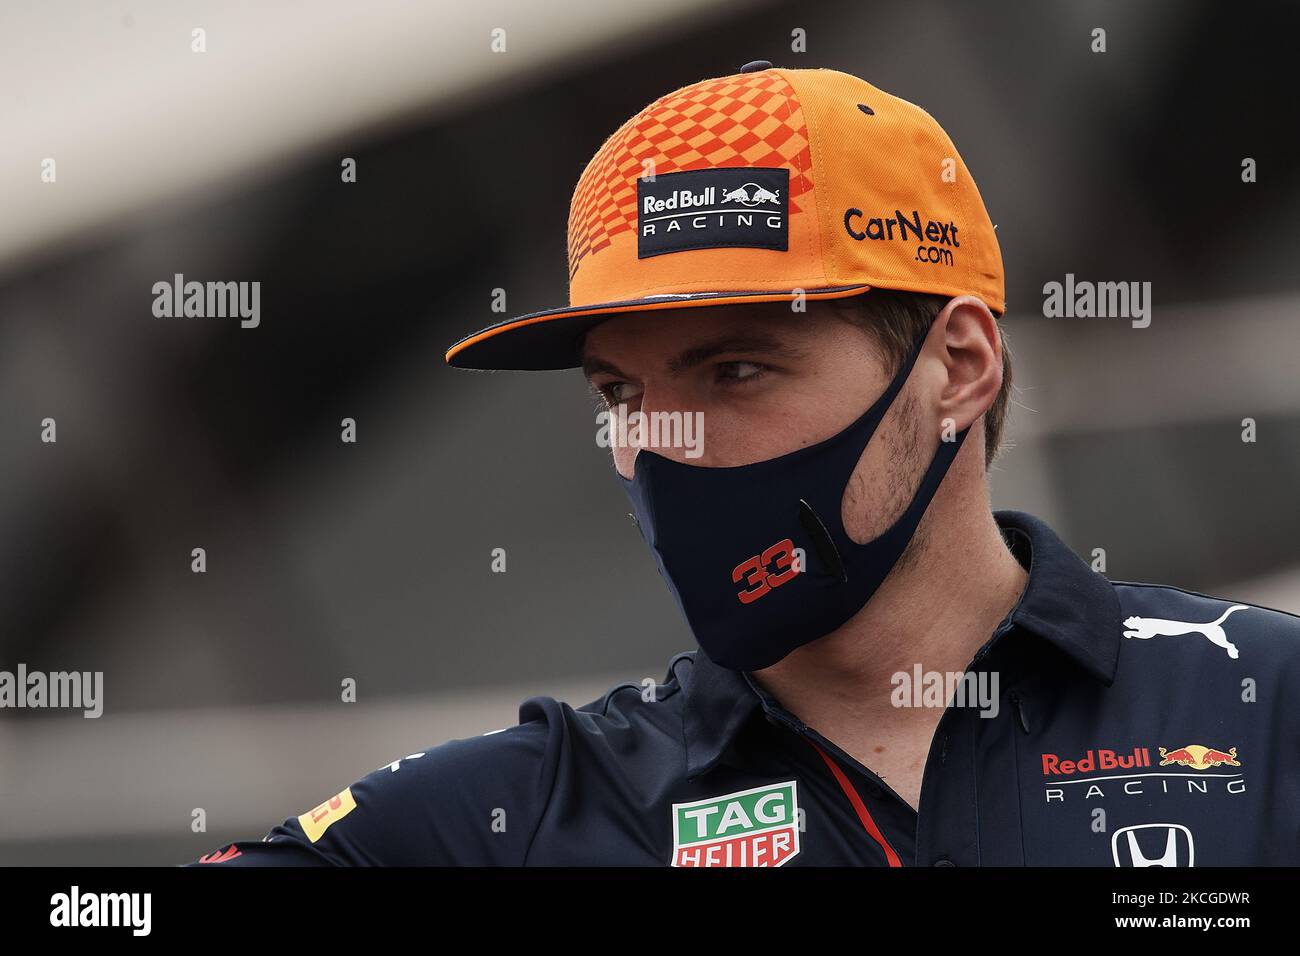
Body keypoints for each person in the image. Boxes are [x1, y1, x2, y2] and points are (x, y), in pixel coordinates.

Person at [191, 62, 1299, 867]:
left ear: (957, 366)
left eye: (733, 371)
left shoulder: (1260, 702)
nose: (661, 443)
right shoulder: (524, 813)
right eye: (621, 394)